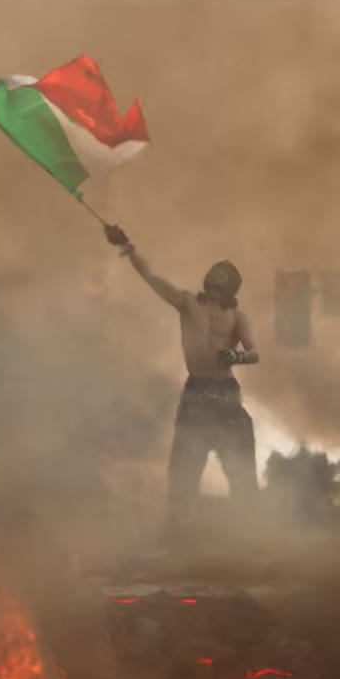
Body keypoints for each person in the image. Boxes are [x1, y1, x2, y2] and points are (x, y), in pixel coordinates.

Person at [105, 224, 260, 523]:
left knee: (241, 471)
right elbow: (153, 280)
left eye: (222, 278)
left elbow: (254, 352)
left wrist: (236, 355)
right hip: (196, 392)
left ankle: (250, 533)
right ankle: (179, 532)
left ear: (231, 286)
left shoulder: (237, 317)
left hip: (226, 394)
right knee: (183, 472)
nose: (216, 280)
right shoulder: (188, 303)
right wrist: (128, 247)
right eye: (215, 275)